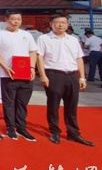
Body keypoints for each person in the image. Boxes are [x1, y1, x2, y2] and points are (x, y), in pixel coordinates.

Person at [37, 14, 94, 146]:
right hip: (54, 74)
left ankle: (73, 133)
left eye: (63, 22)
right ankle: (55, 132)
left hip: (72, 75)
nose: (60, 25)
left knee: (72, 105)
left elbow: (79, 58)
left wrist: (82, 77)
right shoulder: (44, 38)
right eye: (57, 22)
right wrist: (43, 75)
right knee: (53, 105)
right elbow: (39, 57)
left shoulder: (73, 40)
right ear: (51, 24)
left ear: (67, 25)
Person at [0, 11, 38, 141]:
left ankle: (21, 127)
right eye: (13, 19)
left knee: (22, 103)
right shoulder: (0, 35)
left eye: (18, 19)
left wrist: (32, 67)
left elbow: (33, 52)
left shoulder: (26, 35)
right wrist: (5, 67)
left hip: (25, 74)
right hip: (8, 75)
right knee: (9, 103)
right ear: (6, 20)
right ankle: (10, 128)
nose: (16, 21)